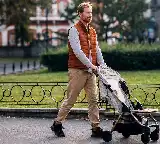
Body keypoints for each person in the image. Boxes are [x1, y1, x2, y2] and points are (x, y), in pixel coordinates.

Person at [50, 2, 106, 138]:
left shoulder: (92, 31)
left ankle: (95, 127)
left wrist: (103, 65)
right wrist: (91, 65)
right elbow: (77, 52)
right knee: (71, 99)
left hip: (90, 72)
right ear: (80, 14)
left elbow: (96, 50)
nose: (90, 15)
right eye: (87, 13)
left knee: (93, 100)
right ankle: (57, 123)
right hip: (77, 70)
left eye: (91, 13)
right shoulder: (73, 30)